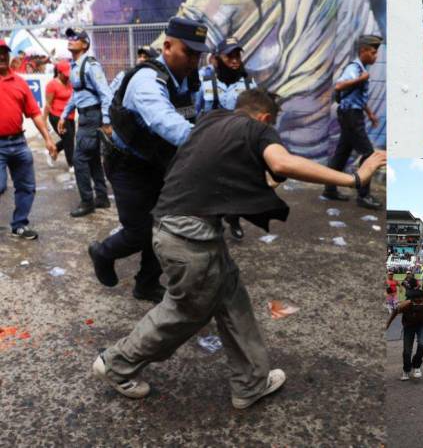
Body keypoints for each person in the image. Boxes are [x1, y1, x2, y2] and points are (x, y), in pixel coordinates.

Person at [92, 89, 386, 405]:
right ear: (264, 118)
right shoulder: (256, 129)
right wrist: (355, 178)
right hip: (189, 237)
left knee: (232, 298)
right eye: (271, 125)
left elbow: (229, 169)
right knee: (186, 310)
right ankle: (117, 364)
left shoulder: (211, 121)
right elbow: (281, 162)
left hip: (179, 228)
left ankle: (250, 382)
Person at [88, 17, 208, 304]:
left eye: (198, 54)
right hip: (128, 166)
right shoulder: (147, 80)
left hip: (161, 163)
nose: (194, 60)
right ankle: (103, 252)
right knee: (139, 231)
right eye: (188, 52)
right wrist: (212, 146)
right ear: (167, 46)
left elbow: (196, 116)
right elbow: (167, 123)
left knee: (163, 228)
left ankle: (146, 283)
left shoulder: (190, 79)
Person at [195, 37, 253, 239]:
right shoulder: (205, 81)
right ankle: (215, 219)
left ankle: (234, 218)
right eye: (230, 56)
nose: (235, 60)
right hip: (212, 140)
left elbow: (255, 113)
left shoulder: (248, 82)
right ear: (217, 58)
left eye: (237, 56)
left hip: (238, 140)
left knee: (236, 182)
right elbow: (196, 110)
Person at [0, 39, 58, 240]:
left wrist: (48, 139)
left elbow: (34, 113)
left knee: (27, 187)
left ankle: (19, 225)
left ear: (8, 56)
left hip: (19, 143)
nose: (1, 56)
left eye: (4, 52)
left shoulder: (20, 83)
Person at [323, 34, 383, 210]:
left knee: (342, 153)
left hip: (352, 114)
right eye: (372, 52)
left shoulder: (360, 68)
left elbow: (358, 97)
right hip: (350, 116)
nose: (375, 56)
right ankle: (364, 196)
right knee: (369, 154)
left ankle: (329, 189)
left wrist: (370, 114)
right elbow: (339, 86)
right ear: (363, 51)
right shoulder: (354, 68)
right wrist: (360, 79)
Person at [59, 28, 112, 218]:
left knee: (79, 159)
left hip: (91, 117)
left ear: (85, 44)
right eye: (70, 38)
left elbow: (106, 94)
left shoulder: (90, 65)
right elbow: (76, 95)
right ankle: (102, 197)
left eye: (76, 38)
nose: (71, 40)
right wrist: (65, 115)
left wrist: (106, 120)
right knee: (93, 159)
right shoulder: (75, 66)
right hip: (86, 116)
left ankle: (87, 201)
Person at [386, 289, 423, 381]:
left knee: (422, 344)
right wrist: (387, 324)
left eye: (420, 301)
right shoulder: (404, 306)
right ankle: (406, 369)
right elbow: (394, 313)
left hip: (422, 325)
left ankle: (416, 366)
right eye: (416, 301)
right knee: (407, 350)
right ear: (411, 300)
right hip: (409, 326)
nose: (418, 303)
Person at [44, 60, 75, 170]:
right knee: (68, 138)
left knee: (69, 139)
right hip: (56, 116)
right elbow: (48, 104)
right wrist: (44, 121)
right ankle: (72, 164)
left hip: (70, 116)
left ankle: (52, 150)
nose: (67, 77)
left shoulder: (71, 82)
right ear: (59, 72)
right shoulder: (52, 85)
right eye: (65, 74)